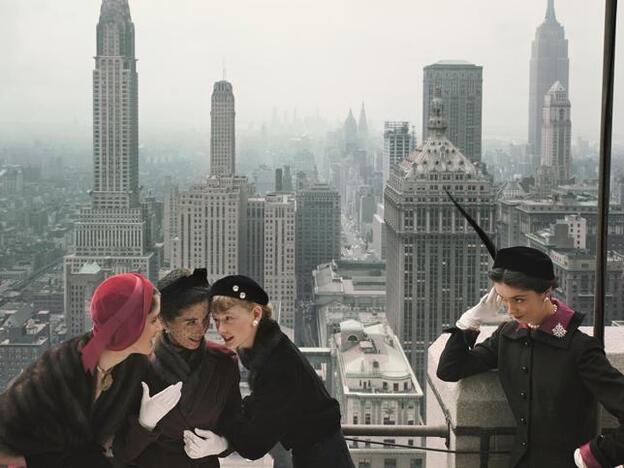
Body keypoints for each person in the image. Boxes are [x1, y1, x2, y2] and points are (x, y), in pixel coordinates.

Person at [436, 193, 624, 468]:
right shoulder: (508, 336)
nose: (511, 309)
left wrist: (592, 456)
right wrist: (469, 321)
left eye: (519, 299)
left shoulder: (579, 348)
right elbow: (450, 370)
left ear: (547, 292)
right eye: (503, 299)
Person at [0, 272, 183, 468]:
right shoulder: (59, 371)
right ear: (130, 325)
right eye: (154, 320)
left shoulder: (135, 368)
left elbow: (123, 451)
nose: (161, 328)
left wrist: (145, 423)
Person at [180, 274, 355, 468]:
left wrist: (221, 411)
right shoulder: (269, 349)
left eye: (229, 318)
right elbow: (263, 405)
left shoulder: (278, 366)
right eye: (216, 320)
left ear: (256, 314)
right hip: (320, 452)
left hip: (322, 459)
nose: (221, 329)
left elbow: (253, 446)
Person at [112, 268, 241, 467]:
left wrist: (221, 445)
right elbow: (121, 452)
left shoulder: (225, 363)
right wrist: (144, 424)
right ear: (164, 321)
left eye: (206, 318)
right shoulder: (137, 364)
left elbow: (234, 426)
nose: (202, 329)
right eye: (191, 322)